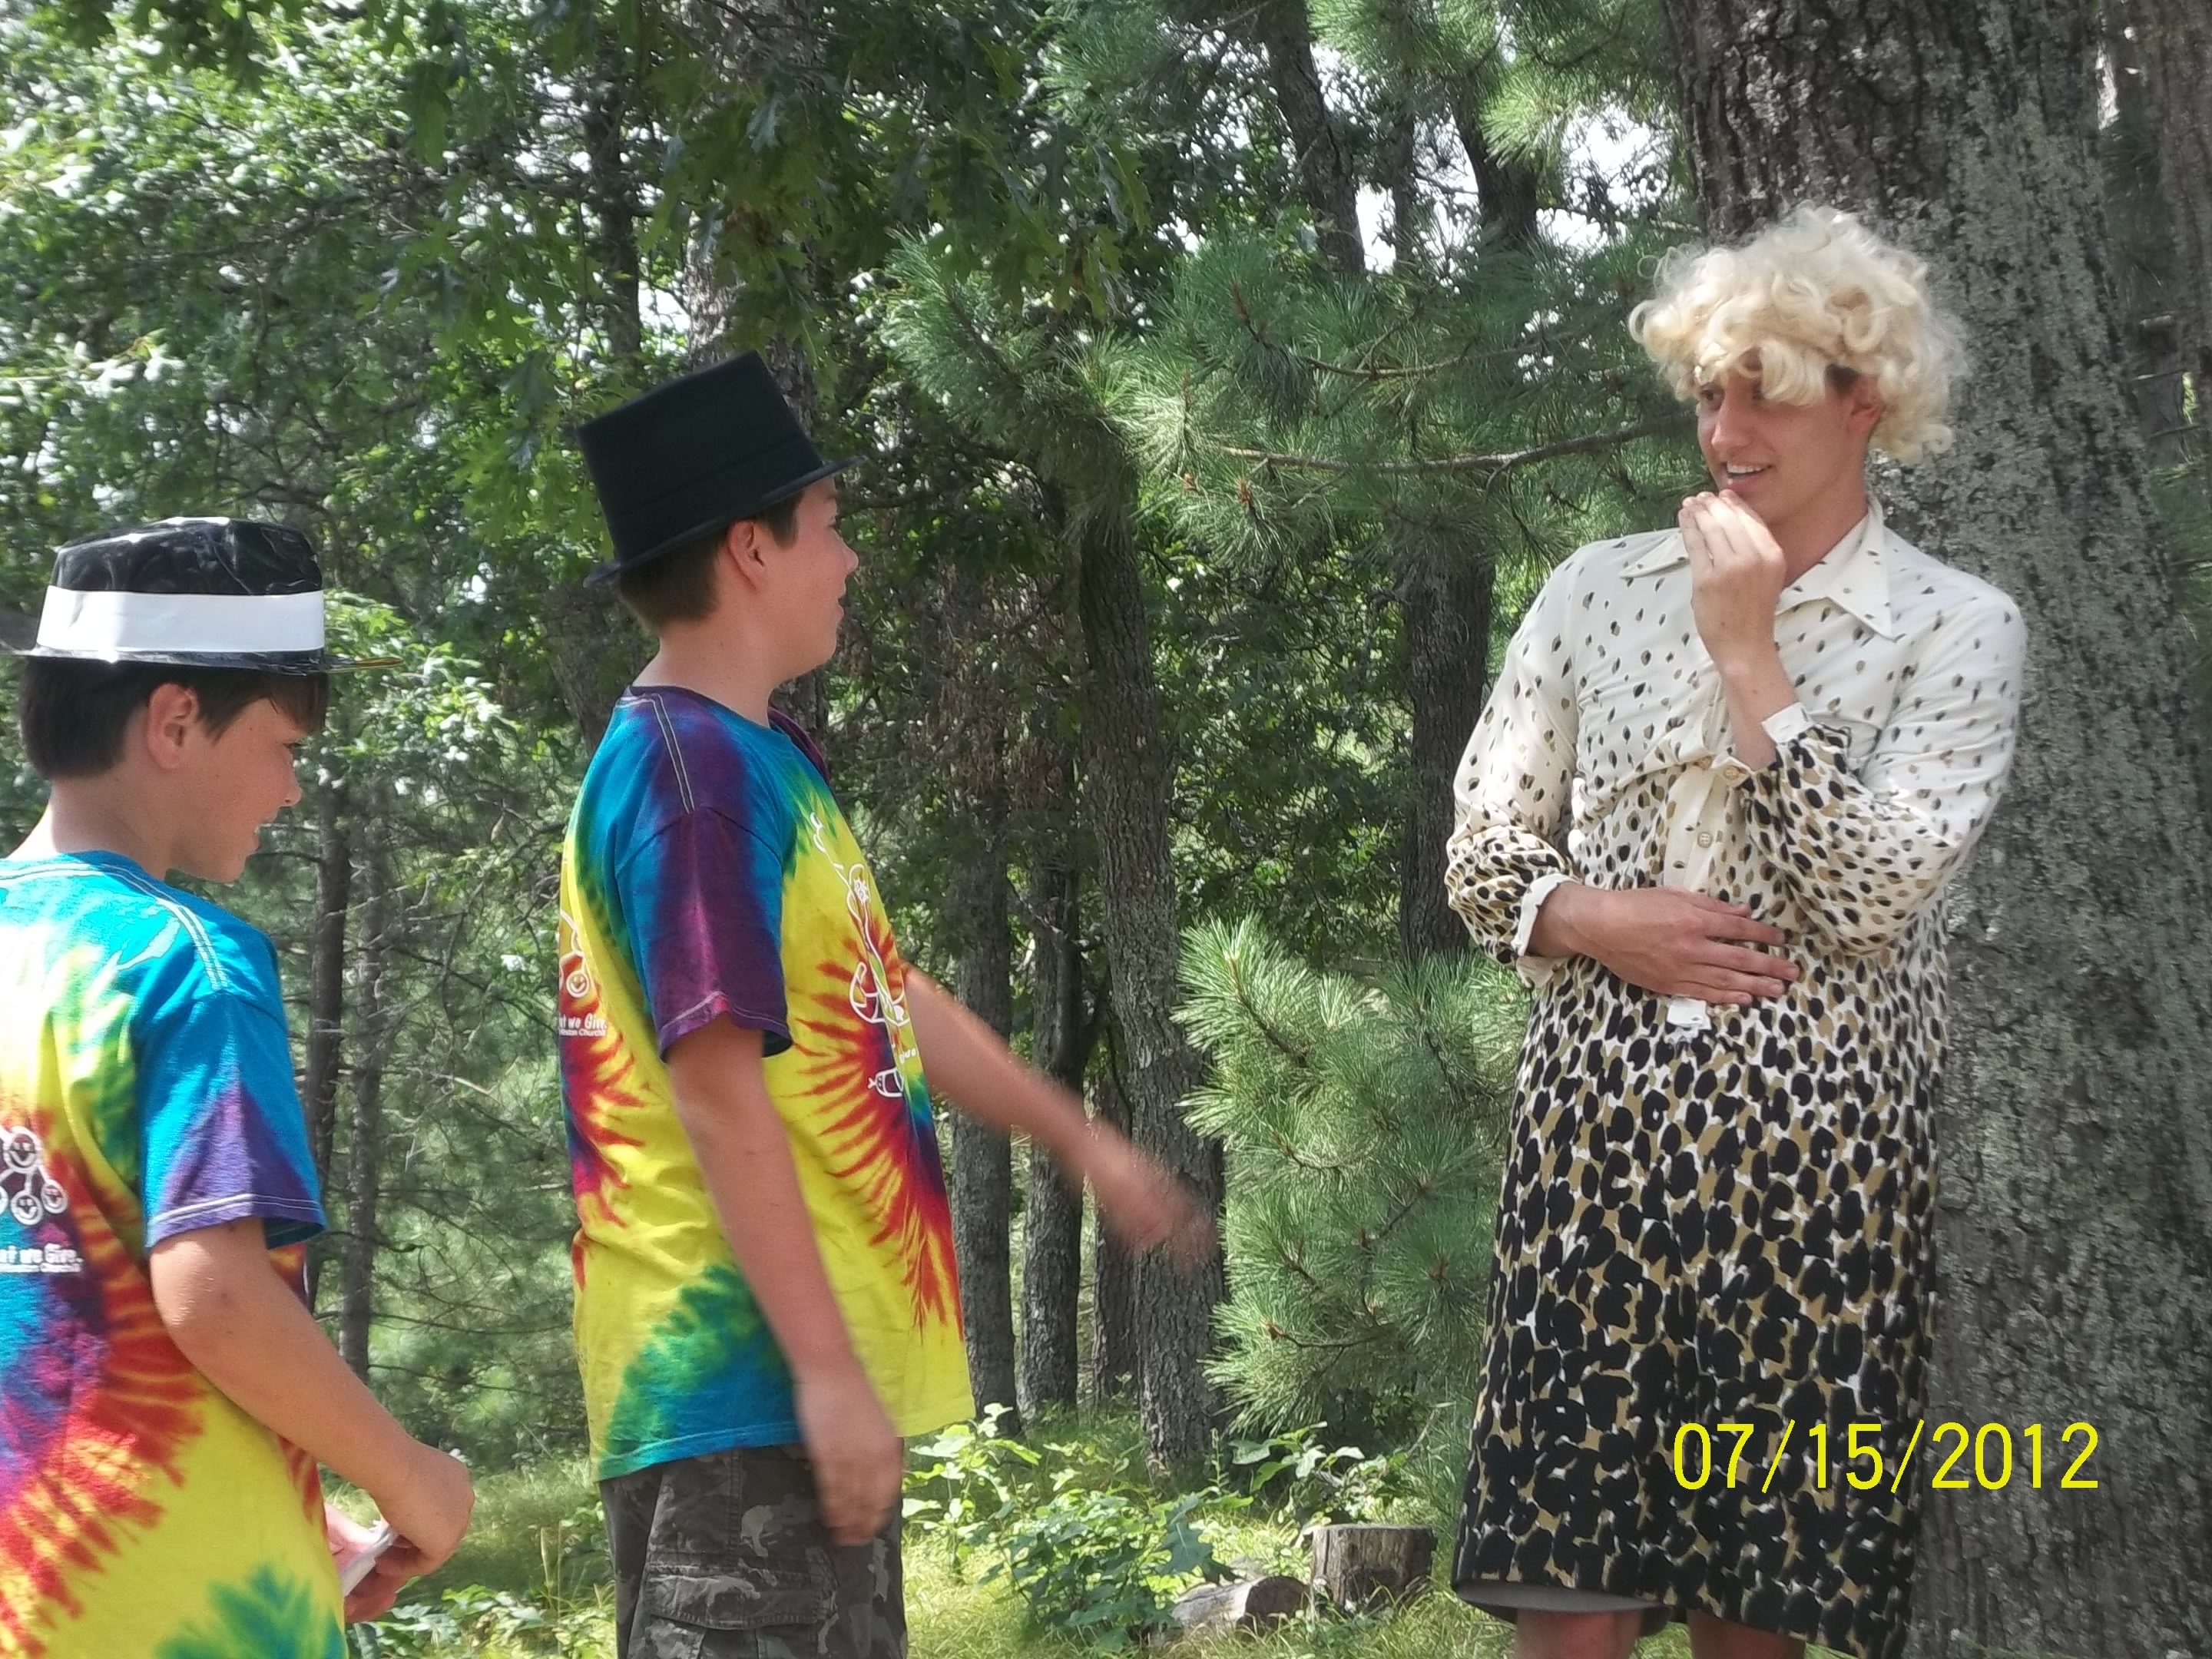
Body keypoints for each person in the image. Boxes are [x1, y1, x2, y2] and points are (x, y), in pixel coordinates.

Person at [561, 353, 1213, 1659]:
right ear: (750, 548)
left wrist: (1079, 1140)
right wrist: (819, 1370)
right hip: (745, 1401)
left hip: (792, 1401)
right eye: (830, 524)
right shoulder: (693, 782)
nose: (849, 557)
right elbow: (715, 1085)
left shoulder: (761, 761)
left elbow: (887, 995)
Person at [1444, 205, 2027, 1659]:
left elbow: (1869, 899)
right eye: (1709, 392)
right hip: (1593, 1158)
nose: (1725, 431)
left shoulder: (1957, 626)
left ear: (1865, 401)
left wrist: (1752, 654)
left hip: (1821, 1176)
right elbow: (1482, 849)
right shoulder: (1593, 590)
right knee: (1567, 1604)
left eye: (1767, 392)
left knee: (1755, 1612)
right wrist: (1593, 917)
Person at [0, 519, 474, 1657]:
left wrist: (288, 1481)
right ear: (175, 722)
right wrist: (411, 1478)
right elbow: (215, 1297)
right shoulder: (187, 960)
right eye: (283, 744)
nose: (293, 788)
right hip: (183, 1608)